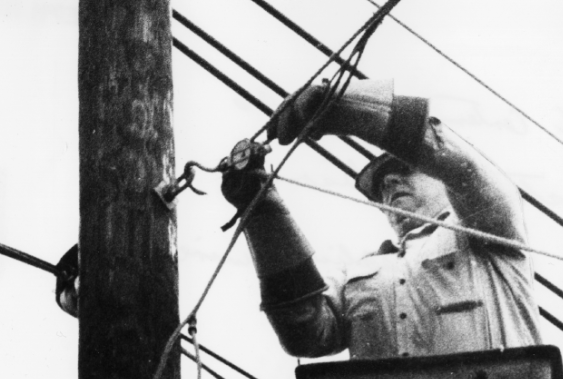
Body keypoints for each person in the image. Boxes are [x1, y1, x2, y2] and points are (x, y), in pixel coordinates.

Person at [220, 79, 542, 360]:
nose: (389, 184)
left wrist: (341, 105)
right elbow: (304, 331)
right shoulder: (356, 273)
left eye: (402, 169)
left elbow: (464, 169)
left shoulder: (490, 229)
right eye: (381, 185)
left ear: (437, 175)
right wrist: (262, 208)